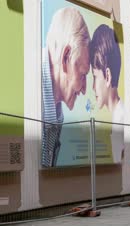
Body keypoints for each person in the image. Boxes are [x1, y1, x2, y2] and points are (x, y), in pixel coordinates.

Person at [42, 7, 90, 167]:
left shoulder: (54, 114)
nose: (84, 89)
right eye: (83, 74)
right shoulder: (25, 93)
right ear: (65, 58)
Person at [89, 24, 123, 163]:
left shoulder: (119, 126)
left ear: (107, 76)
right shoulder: (119, 117)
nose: (92, 87)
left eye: (95, 77)